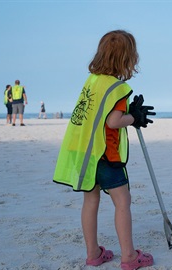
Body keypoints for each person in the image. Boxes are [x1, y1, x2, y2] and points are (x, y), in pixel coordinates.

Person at [53, 30, 154, 269]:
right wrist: (134, 116)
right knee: (122, 201)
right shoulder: (117, 88)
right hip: (104, 154)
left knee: (91, 200)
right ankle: (129, 257)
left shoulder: (92, 81)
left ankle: (93, 254)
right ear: (128, 58)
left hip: (83, 152)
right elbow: (113, 122)